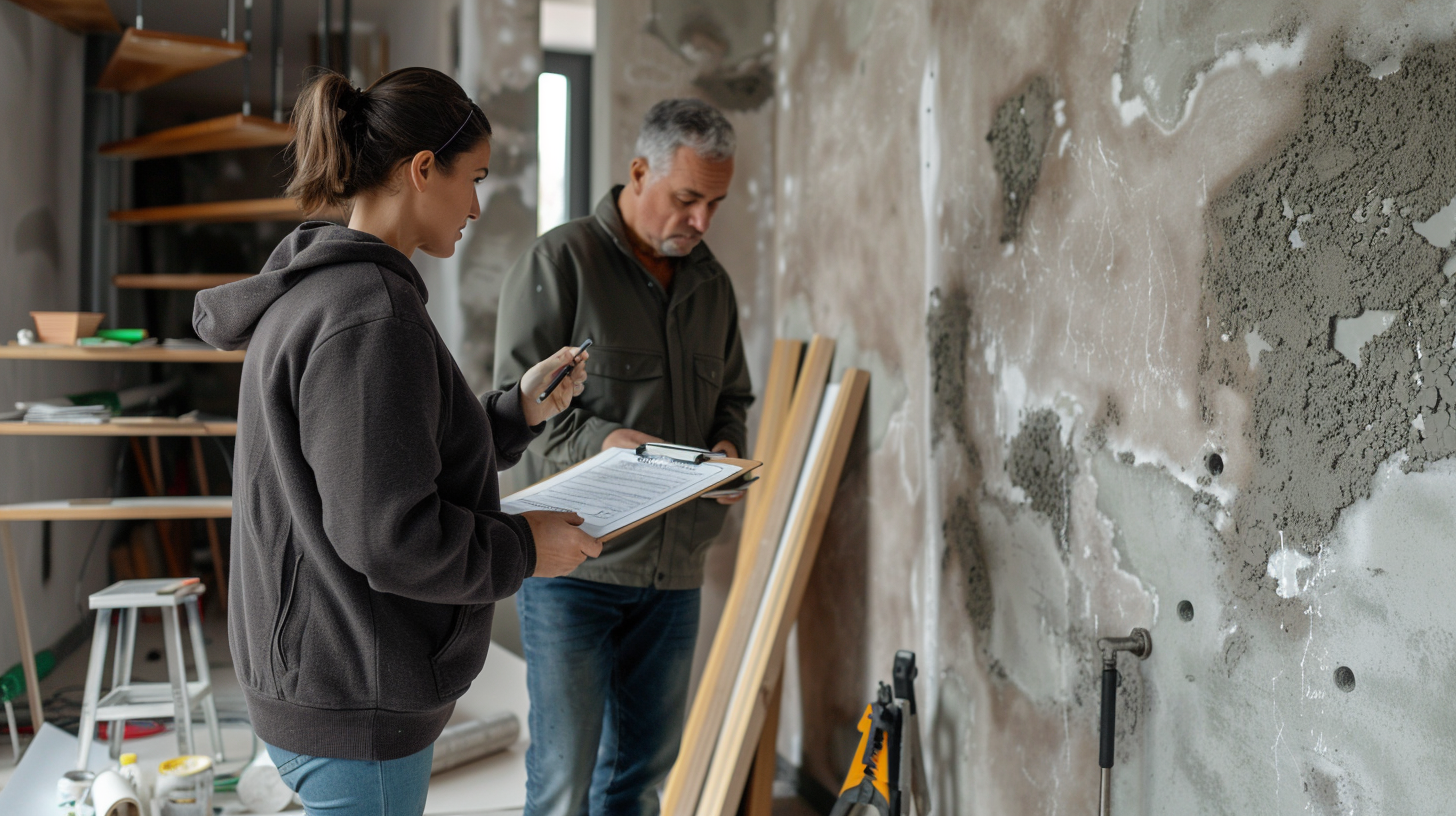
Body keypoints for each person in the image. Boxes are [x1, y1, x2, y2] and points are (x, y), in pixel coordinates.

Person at [192, 67, 602, 816]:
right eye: (472, 178)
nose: (478, 204)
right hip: (352, 700)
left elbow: (375, 457)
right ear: (422, 170)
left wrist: (513, 414)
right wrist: (525, 549)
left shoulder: (321, 292)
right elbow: (390, 535)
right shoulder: (369, 316)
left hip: (322, 674)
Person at [494, 98, 754, 815]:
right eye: (688, 198)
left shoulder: (712, 285)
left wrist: (730, 449)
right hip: (574, 569)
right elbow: (513, 413)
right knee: (562, 781)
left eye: (715, 204)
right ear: (640, 171)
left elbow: (732, 396)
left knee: (638, 781)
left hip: (674, 578)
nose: (702, 222)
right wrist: (601, 441)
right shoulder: (559, 262)